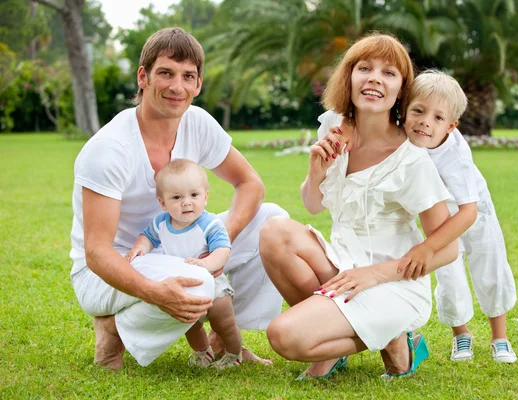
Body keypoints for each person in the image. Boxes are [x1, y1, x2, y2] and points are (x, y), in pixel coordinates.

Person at [69, 27, 288, 370]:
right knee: (200, 282)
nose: (177, 87)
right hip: (114, 268)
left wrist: (217, 244)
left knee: (272, 220)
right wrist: (154, 292)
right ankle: (113, 328)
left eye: (188, 76)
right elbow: (96, 252)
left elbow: (250, 184)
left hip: (181, 247)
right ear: (143, 77)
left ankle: (223, 340)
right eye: (166, 73)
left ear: (198, 84)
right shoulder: (109, 149)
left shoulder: (197, 122)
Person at [258, 33, 459, 380]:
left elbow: (449, 249)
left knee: (284, 336)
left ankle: (395, 339)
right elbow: (313, 205)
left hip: (392, 282)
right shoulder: (333, 126)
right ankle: (338, 341)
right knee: (274, 232)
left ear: (401, 90)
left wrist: (374, 275)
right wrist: (316, 170)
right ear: (349, 76)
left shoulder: (411, 161)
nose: (374, 78)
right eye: (364, 68)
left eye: (389, 73)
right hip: (342, 265)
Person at [330, 70, 518, 363]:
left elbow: (468, 211)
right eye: (417, 111)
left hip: (472, 213)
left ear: (451, 126)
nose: (425, 122)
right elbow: (354, 116)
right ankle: (461, 334)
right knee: (448, 272)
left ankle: (500, 337)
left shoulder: (454, 154)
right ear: (403, 109)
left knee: (489, 266)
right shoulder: (399, 134)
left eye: (438, 118)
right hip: (437, 215)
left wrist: (426, 248)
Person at [124, 159, 242, 369]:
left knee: (224, 324)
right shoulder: (161, 223)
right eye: (177, 197)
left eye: (194, 195)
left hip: (215, 287)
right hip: (185, 287)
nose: (186, 202)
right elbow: (148, 237)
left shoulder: (210, 224)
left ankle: (234, 353)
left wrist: (205, 264)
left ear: (205, 196)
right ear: (163, 203)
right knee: (189, 325)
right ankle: (202, 352)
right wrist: (139, 248)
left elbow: (223, 251)